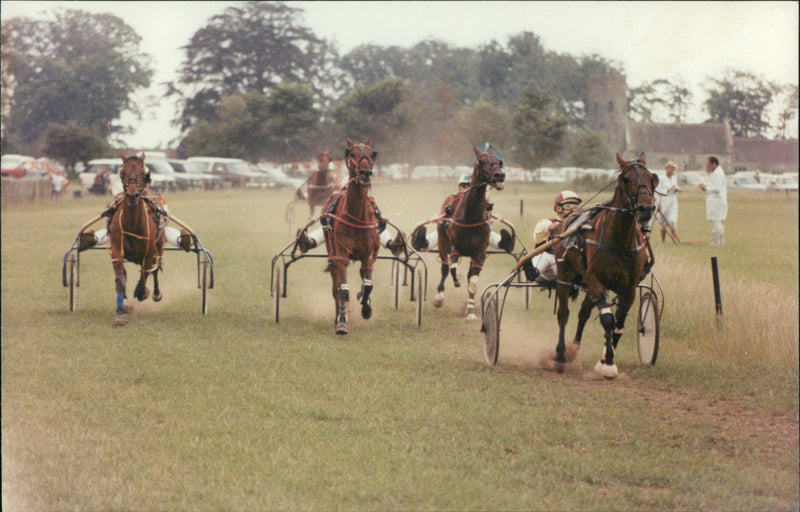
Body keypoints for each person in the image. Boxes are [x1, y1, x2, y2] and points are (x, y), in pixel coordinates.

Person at [79, 168, 191, 252]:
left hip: (148, 234)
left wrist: (163, 213)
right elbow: (109, 212)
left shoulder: (155, 197)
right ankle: (92, 239)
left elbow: (166, 214)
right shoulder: (121, 197)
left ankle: (181, 241)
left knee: (165, 232)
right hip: (125, 233)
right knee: (111, 233)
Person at [411, 174, 513, 252]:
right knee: (440, 233)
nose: (466, 189)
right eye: (464, 186)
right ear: (459, 187)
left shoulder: (480, 201)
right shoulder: (453, 198)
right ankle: (423, 242)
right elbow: (443, 215)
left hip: (477, 233)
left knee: (487, 234)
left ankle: (503, 243)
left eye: (469, 186)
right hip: (454, 232)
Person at [521, 190, 582, 283]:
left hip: (566, 265)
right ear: (558, 208)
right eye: (568, 206)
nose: (573, 210)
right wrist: (552, 228)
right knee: (545, 256)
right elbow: (539, 233)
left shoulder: (579, 225)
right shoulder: (549, 222)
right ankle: (532, 271)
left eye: (575, 207)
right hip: (550, 265)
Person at [698, 155, 728, 246]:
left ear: (714, 164)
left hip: (716, 201)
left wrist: (705, 188)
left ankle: (715, 243)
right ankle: (720, 242)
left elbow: (716, 188)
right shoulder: (716, 173)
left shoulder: (718, 173)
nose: (708, 167)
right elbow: (711, 183)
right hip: (717, 201)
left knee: (716, 223)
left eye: (709, 165)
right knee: (719, 223)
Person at [655, 161, 680, 243]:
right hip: (664, 202)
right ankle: (663, 240)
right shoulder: (661, 178)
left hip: (673, 201)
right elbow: (658, 190)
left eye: (673, 169)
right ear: (666, 168)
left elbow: (675, 187)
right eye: (671, 169)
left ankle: (674, 240)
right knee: (664, 223)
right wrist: (668, 190)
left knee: (673, 221)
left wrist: (676, 190)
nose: (672, 171)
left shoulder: (674, 178)